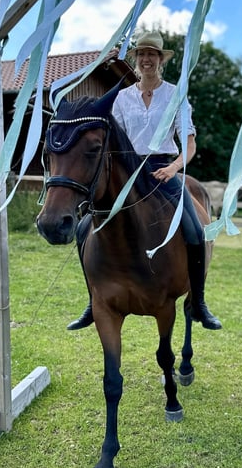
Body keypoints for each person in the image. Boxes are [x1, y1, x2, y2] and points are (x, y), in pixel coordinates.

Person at [67, 30, 222, 331]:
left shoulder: (176, 94)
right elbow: (115, 139)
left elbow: (189, 145)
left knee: (193, 227)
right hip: (130, 171)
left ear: (161, 60)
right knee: (86, 226)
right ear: (136, 60)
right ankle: (92, 300)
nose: (146, 59)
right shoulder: (123, 98)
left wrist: (174, 168)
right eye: (141, 54)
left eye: (152, 54)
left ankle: (199, 302)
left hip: (166, 167)